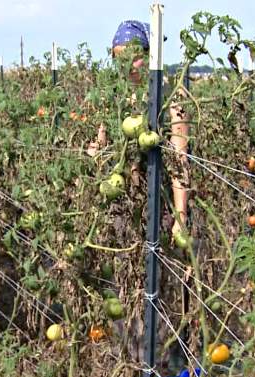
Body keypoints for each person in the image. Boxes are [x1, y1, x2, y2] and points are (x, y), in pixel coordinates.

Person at [92, 20, 190, 238]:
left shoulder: (170, 95)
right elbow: (101, 142)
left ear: (150, 54)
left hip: (160, 201)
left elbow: (179, 159)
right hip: (121, 201)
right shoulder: (115, 95)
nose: (127, 66)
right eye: (120, 59)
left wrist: (180, 215)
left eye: (134, 58)